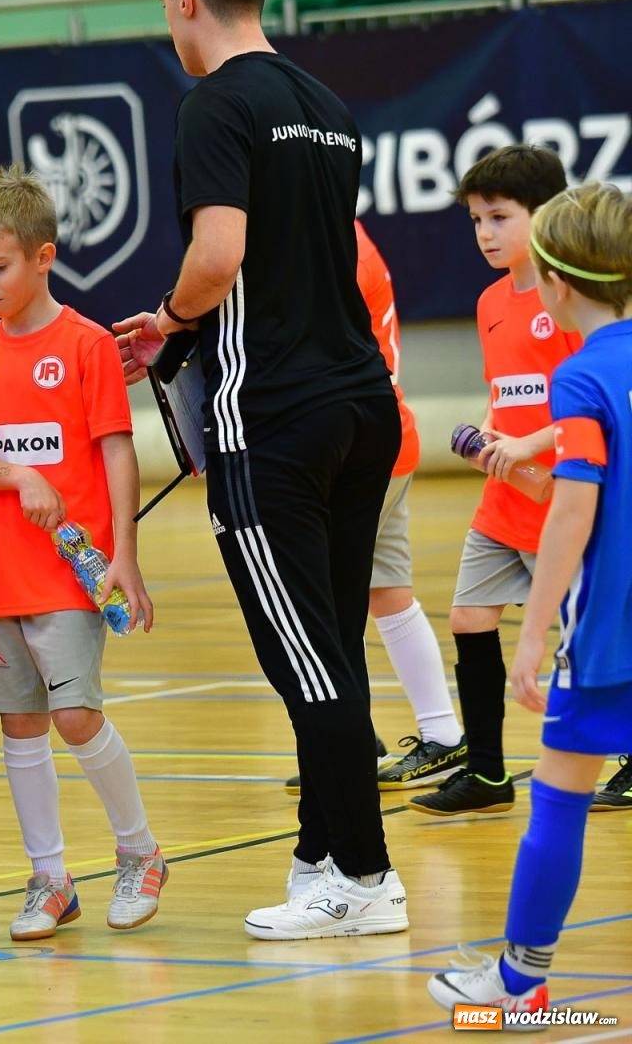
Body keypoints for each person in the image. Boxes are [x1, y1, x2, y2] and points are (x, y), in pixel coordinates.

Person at [114, 0, 407, 940]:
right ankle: (321, 857)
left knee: (304, 660)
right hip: (362, 403)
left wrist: (168, 319)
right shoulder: (324, 103)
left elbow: (219, 255)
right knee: (329, 648)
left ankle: (366, 879)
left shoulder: (216, 104)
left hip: (272, 417)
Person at [0, 165, 166, 942]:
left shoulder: (86, 347)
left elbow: (117, 453)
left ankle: (140, 852)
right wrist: (19, 475)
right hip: (1, 577)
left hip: (75, 574)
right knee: (20, 728)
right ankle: (51, 878)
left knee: (75, 716)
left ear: (44, 256)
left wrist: (125, 554)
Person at [428, 181, 632, 1018]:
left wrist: (532, 632)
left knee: (560, 791)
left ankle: (520, 980)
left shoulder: (582, 378)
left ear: (553, 281)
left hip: (611, 638)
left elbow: (572, 510)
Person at [408, 145, 577, 817]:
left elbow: (596, 402)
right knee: (469, 618)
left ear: (546, 215)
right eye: (476, 219)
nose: (484, 233)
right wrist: (485, 436)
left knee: (588, 633)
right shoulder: (488, 303)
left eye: (499, 217)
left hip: (565, 497)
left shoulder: (573, 298)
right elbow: (505, 397)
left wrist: (533, 446)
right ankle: (485, 774)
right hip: (504, 498)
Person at [286, 222, 465, 795]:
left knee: (322, 601)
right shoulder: (342, 233)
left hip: (356, 447)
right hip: (385, 436)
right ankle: (436, 734)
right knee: (386, 591)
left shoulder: (329, 243)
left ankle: (348, 740)